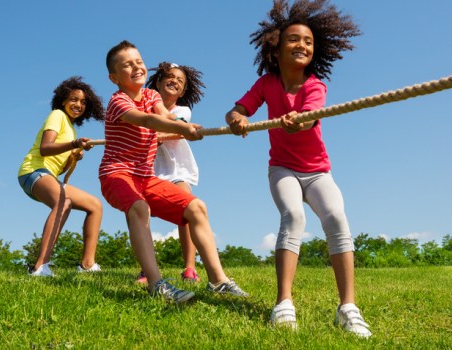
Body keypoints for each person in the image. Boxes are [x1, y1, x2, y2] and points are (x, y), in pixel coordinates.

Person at [224, 0, 370, 337]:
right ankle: (283, 303)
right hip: (283, 169)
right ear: (275, 49)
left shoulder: (314, 85)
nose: (301, 44)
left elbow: (309, 116)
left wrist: (298, 122)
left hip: (317, 170)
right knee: (294, 217)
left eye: (307, 41)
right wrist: (237, 119)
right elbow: (236, 110)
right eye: (293, 39)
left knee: (335, 217)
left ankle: (348, 307)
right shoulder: (267, 83)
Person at [101, 40, 247, 303]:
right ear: (114, 77)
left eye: (139, 61)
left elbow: (163, 114)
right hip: (117, 174)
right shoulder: (118, 102)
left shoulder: (152, 96)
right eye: (127, 65)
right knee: (139, 209)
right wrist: (181, 130)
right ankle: (157, 285)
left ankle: (219, 281)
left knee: (197, 208)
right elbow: (146, 120)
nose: (136, 67)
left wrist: (181, 124)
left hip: (146, 178)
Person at [18, 76, 106, 277]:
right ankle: (40, 267)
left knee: (95, 205)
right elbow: (45, 148)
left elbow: (61, 168)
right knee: (63, 202)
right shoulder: (57, 115)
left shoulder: (70, 127)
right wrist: (74, 144)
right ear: (63, 101)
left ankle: (87, 265)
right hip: (33, 171)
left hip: (49, 176)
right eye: (74, 99)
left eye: (83, 102)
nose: (79, 105)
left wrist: (74, 157)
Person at [133, 62, 206, 284]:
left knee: (187, 209)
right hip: (149, 171)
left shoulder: (181, 111)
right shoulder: (143, 109)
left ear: (183, 91)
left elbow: (176, 129)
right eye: (170, 77)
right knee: (140, 214)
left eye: (180, 80)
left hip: (176, 169)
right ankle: (147, 269)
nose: (174, 80)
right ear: (157, 82)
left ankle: (190, 268)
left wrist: (154, 134)